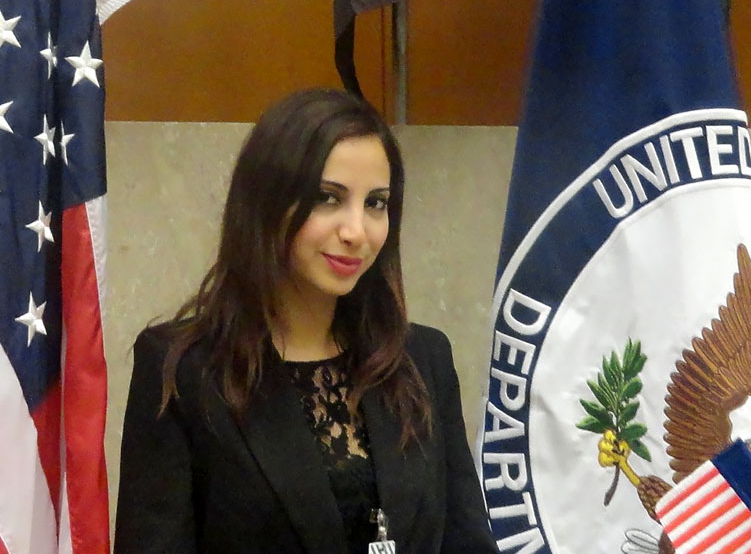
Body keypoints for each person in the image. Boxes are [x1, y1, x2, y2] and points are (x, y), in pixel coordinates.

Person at [115, 88, 497, 554]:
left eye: (376, 203)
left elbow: (467, 541)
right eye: (327, 198)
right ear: (267, 203)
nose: (356, 231)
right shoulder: (183, 370)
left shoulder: (423, 359)